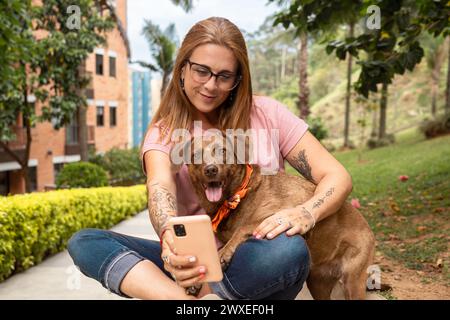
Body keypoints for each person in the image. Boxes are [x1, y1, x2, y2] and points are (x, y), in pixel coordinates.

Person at [67, 17, 353, 300]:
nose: (210, 85)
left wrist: (307, 212)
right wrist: (169, 240)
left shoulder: (268, 115)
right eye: (201, 71)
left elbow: (337, 176)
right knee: (86, 242)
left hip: (257, 263)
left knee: (290, 250)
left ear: (238, 79)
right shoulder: (165, 134)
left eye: (224, 75)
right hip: (194, 265)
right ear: (182, 69)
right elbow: (159, 188)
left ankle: (211, 298)